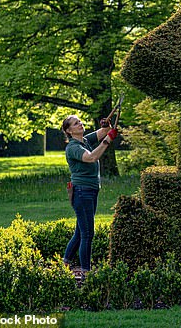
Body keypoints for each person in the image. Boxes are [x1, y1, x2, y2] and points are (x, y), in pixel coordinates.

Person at [60, 114, 117, 278]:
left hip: (90, 191)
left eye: (80, 122)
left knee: (80, 232)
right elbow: (91, 157)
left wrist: (107, 125)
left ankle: (64, 263)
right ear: (69, 131)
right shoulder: (73, 148)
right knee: (87, 234)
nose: (80, 124)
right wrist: (107, 140)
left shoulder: (84, 141)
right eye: (75, 123)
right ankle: (86, 273)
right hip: (81, 192)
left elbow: (103, 131)